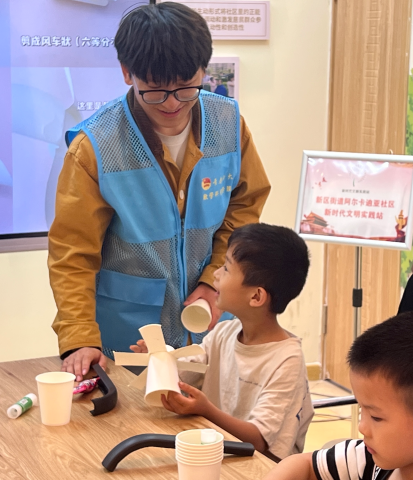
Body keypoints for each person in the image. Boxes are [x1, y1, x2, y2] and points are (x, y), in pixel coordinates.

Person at [49, 2, 271, 381]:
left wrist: (214, 280)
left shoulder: (228, 123)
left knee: (213, 412)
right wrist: (79, 337)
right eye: (155, 90)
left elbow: (244, 209)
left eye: (186, 88)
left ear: (203, 70)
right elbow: (73, 253)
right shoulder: (95, 147)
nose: (172, 103)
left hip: (213, 325)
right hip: (129, 335)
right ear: (127, 72)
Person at [131, 224, 314, 460]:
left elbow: (259, 440)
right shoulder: (225, 332)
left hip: (260, 468)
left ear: (256, 296)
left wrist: (206, 410)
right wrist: (161, 358)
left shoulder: (287, 361)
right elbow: (186, 372)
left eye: (226, 268)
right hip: (217, 452)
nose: (216, 274)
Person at [264, 311, 413, 480]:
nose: (362, 427)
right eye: (362, 410)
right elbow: (304, 465)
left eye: (376, 417)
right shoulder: (373, 456)